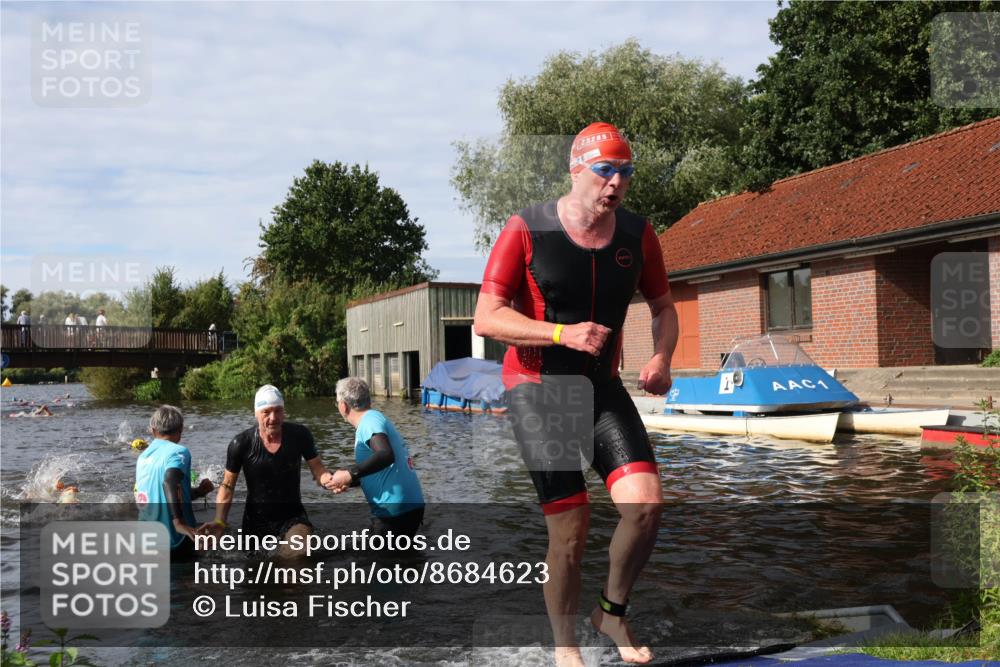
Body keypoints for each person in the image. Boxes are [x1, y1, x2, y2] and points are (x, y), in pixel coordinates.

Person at [473, 122, 678, 666]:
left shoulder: (638, 235)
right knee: (571, 529)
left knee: (646, 508)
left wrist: (662, 356)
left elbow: (664, 307)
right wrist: (562, 333)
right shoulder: (527, 229)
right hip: (539, 387)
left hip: (600, 386)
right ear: (576, 169)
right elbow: (487, 317)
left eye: (625, 173)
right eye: (604, 170)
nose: (615, 183)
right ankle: (566, 649)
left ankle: (611, 612)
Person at [207, 385, 334, 555]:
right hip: (255, 521)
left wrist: (328, 480)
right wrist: (220, 521)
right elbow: (228, 486)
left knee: (299, 552)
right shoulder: (241, 443)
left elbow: (318, 469)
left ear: (284, 412)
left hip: (292, 516)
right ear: (256, 413)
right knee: (256, 573)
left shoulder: (300, 435)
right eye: (266, 412)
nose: (273, 418)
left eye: (278, 411)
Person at [326, 377, 425, 538]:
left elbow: (385, 455)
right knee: (400, 560)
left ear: (343, 406)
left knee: (373, 562)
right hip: (408, 507)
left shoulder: (369, 421)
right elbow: (380, 469)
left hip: (395, 511)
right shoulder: (374, 419)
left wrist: (350, 473)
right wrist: (348, 480)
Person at [134, 405, 215, 559]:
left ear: (152, 430)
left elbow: (160, 493)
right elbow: (170, 482)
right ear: (181, 430)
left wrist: (199, 491)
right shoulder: (178, 452)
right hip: (175, 540)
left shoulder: (143, 457)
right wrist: (179, 522)